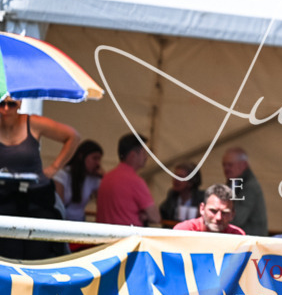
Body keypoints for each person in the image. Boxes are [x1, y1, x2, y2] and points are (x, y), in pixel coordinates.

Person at [0, 96, 80, 259]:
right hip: (5, 198)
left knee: (39, 252)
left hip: (37, 198)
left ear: (20, 103)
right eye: (1, 104)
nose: (6, 109)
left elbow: (73, 136)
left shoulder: (33, 122)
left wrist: (54, 168)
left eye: (11, 104)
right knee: (7, 253)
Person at [96, 133, 161, 227]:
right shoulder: (136, 181)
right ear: (133, 155)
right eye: (144, 153)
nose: (146, 157)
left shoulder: (106, 177)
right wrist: (145, 215)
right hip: (127, 238)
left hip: (104, 237)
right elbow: (155, 217)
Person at [53, 139, 104, 222]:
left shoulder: (93, 179)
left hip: (80, 221)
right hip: (63, 221)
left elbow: (103, 200)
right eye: (94, 158)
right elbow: (58, 204)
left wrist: (104, 176)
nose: (98, 163)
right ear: (81, 156)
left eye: (99, 159)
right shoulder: (63, 175)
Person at [222, 147, 267, 236]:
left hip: (251, 241)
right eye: (224, 165)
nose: (226, 168)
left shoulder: (249, 186)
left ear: (244, 165)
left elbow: (238, 218)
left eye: (230, 165)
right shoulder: (233, 182)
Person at [172, 184, 245, 234]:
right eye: (213, 211)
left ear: (232, 214)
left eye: (224, 213)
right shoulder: (183, 231)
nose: (218, 217)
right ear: (202, 209)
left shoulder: (238, 236)